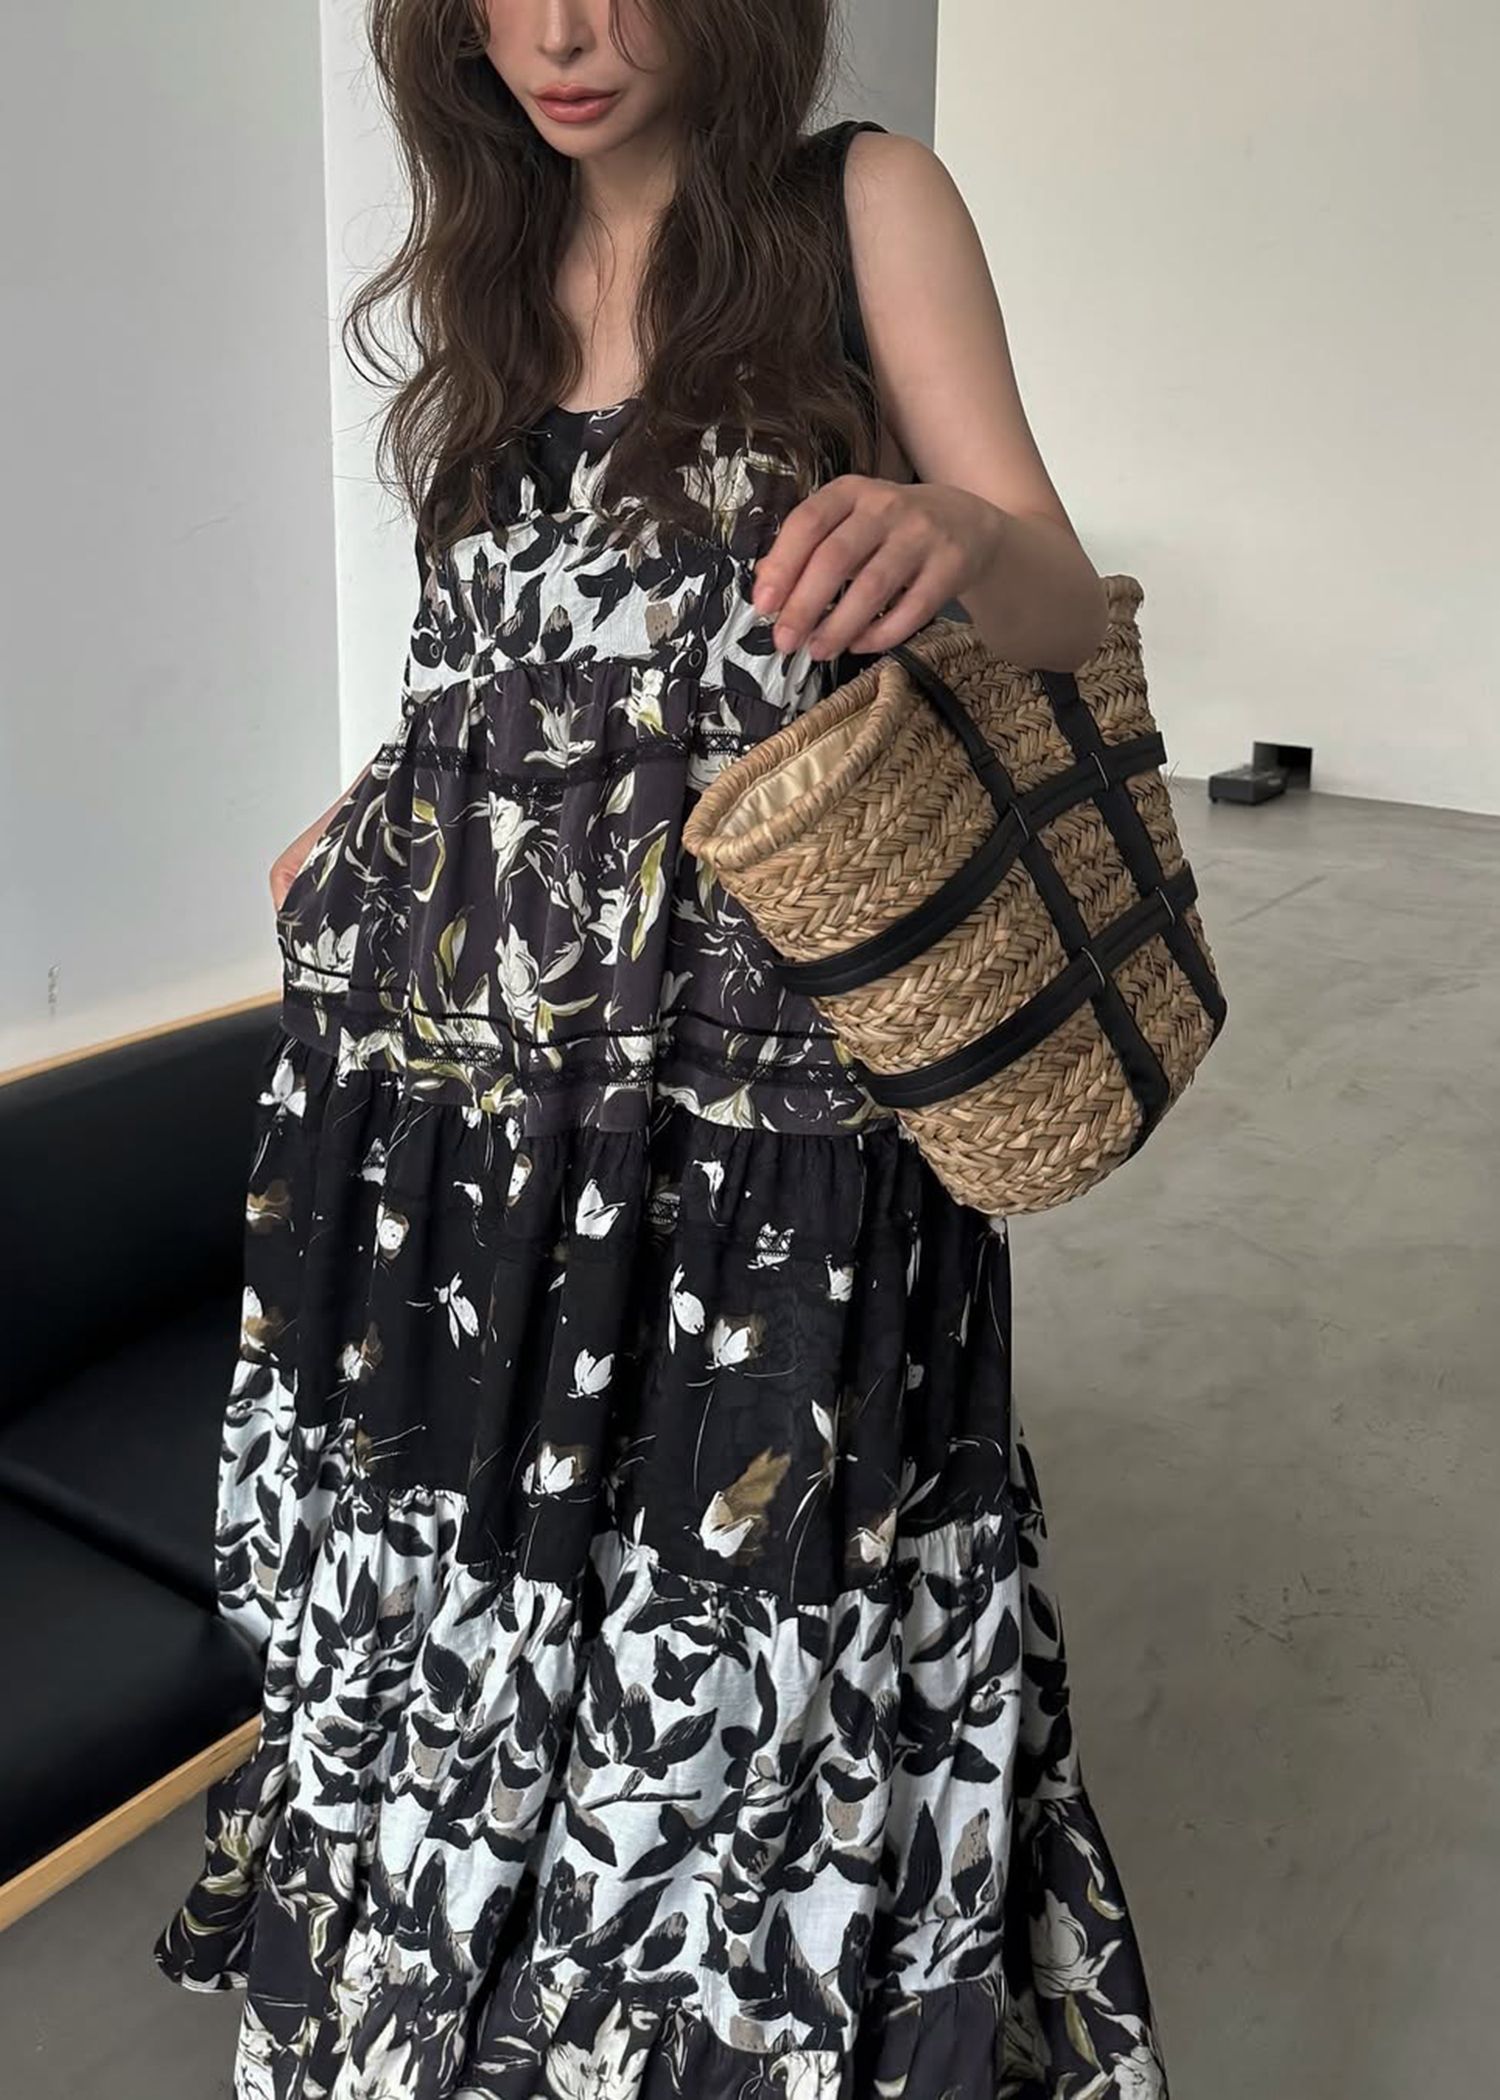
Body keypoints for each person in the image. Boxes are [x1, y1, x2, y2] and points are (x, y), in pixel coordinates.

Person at [155, 4, 1169, 2095]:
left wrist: (964, 539)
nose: (565, 32)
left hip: (759, 1109)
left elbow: (1066, 603)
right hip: (464, 1106)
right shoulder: (491, 252)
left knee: (751, 1620)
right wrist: (385, 812)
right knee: (472, 1597)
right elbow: (520, 661)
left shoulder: (855, 203)